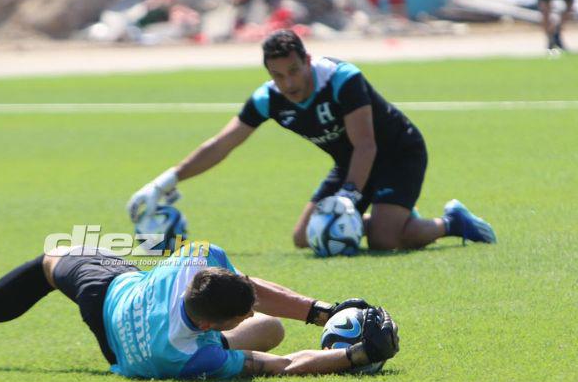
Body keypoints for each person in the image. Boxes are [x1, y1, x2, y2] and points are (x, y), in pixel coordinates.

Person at [126, 30, 496, 252]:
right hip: (350, 161)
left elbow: (367, 143)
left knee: (384, 240)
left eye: (293, 71)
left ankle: (452, 222)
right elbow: (222, 145)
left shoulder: (342, 79)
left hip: (398, 152)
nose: (288, 83)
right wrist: (167, 179)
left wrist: (349, 198)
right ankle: (394, 213)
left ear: (306, 59)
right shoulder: (267, 98)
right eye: (278, 75)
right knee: (305, 238)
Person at [0, 242, 399, 379]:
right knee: (268, 334)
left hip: (109, 293)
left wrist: (320, 312)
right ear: (209, 327)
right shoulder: (189, 357)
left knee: (45, 264)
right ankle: (315, 324)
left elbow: (241, 290)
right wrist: (356, 356)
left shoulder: (193, 262)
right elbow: (281, 366)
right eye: (231, 320)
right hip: (132, 347)